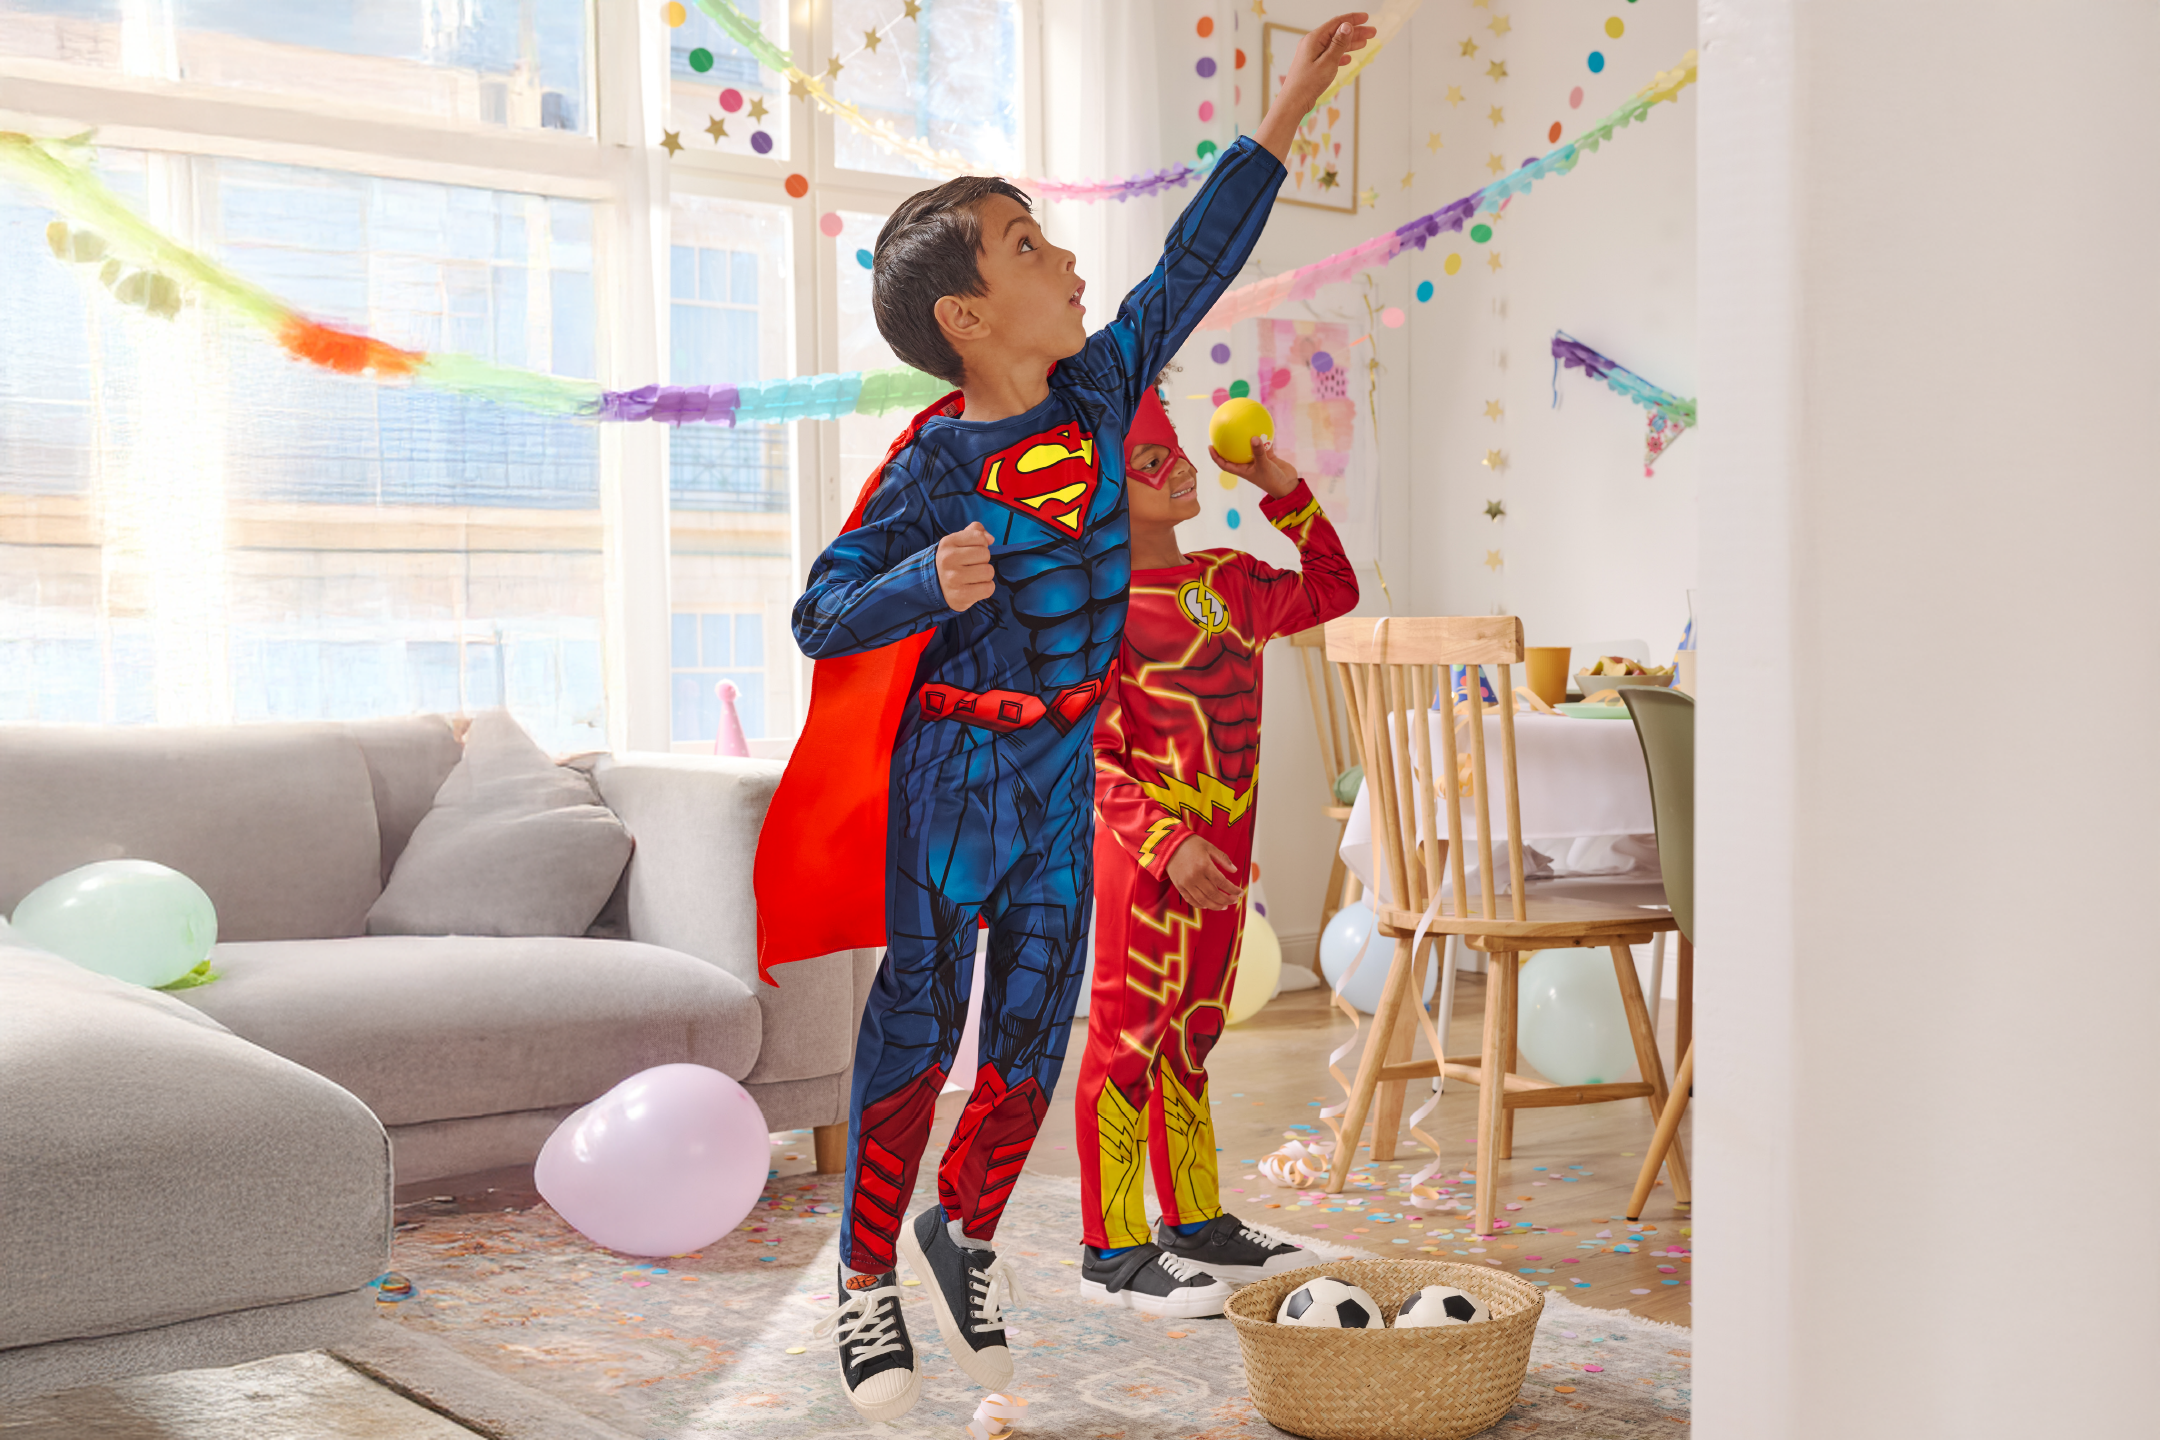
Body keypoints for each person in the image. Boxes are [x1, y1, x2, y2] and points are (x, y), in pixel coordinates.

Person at [768, 14, 1378, 1422]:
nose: (1065, 259)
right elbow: (821, 612)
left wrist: (1290, 101)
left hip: (1053, 774)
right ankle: (866, 1282)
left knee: (1032, 1044)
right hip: (954, 772)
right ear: (967, 320)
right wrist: (924, 578)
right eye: (1028, 248)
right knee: (917, 1037)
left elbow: (1196, 262)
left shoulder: (1105, 395)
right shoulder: (931, 467)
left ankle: (964, 1237)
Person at [1073, 392, 1359, 1316]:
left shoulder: (1231, 578)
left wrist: (1279, 485)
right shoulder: (1092, 611)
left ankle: (1193, 1220)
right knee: (1126, 1044)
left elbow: (1332, 589)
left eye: (1175, 455)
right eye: (1151, 466)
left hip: (1225, 855)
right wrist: (1167, 842)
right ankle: (1113, 1248)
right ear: (1110, 492)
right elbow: (1088, 752)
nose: (1180, 467)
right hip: (1147, 859)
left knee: (1190, 1040)